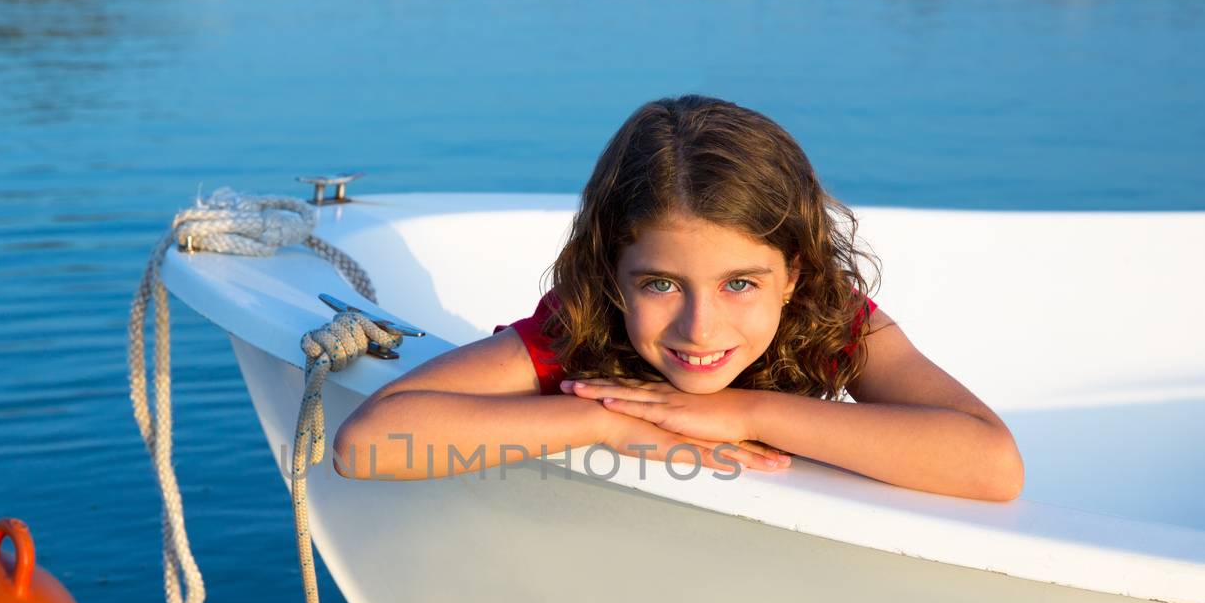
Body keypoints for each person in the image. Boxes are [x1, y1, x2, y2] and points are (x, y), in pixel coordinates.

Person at [333, 95, 1024, 502]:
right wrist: (606, 425)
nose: (700, 326)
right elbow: (366, 447)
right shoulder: (584, 332)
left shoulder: (827, 315)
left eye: (740, 284)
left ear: (798, 274)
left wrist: (745, 411)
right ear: (611, 275)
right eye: (660, 284)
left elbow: (993, 466)